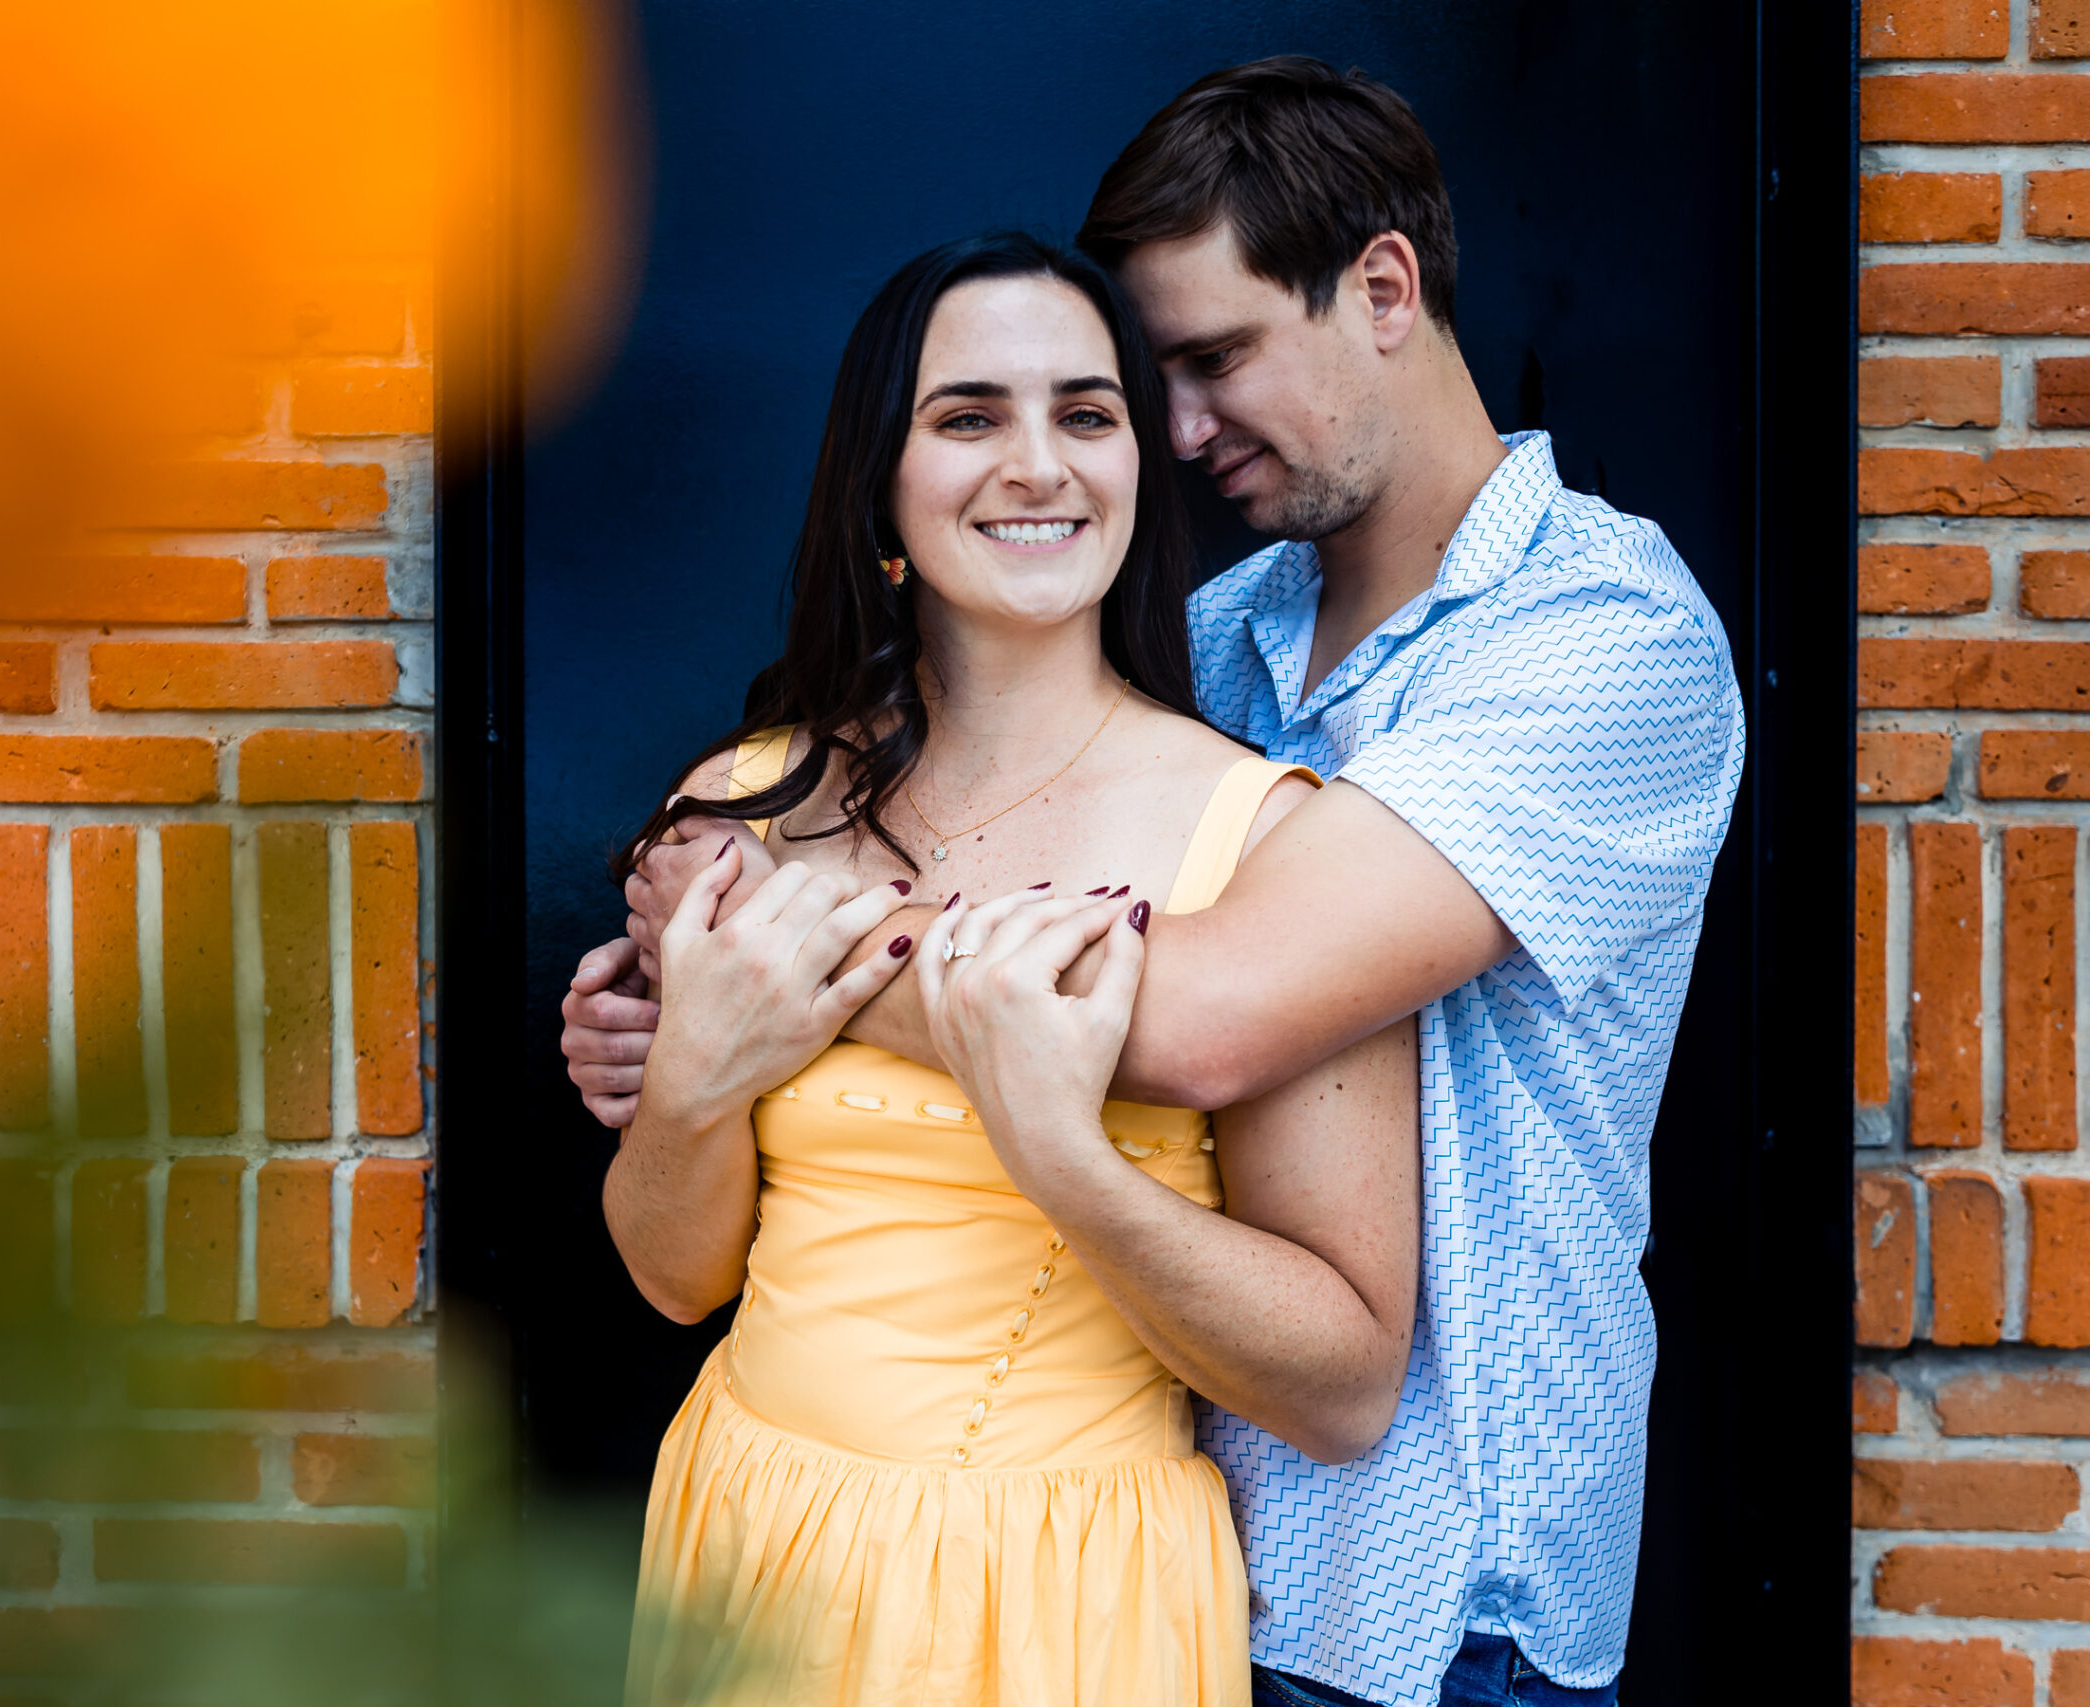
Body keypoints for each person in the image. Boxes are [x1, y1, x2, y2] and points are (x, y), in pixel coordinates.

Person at [565, 58, 1744, 1707]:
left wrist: (759, 944)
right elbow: (986, 784)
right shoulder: (1221, 639)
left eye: (1205, 364)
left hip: (1428, 1601)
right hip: (1141, 1549)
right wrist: (682, 1032)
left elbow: (1195, 1015)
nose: (1176, 438)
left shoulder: (1601, 641)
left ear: (1385, 289)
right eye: (1153, 385)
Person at [605, 230, 1421, 1707]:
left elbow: (1345, 1383)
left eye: (1087, 414)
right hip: (750, 1541)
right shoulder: (749, 802)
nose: (1038, 464)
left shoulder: (1261, 840)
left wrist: (1066, 1155)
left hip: (1059, 1600)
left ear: (1134, 471)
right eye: (969, 416)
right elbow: (676, 1283)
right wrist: (691, 1092)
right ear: (883, 489)